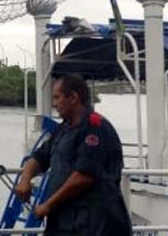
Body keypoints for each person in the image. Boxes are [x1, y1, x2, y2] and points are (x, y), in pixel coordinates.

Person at [14, 73, 131, 235]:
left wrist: (48, 205)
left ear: (73, 97)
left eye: (57, 98)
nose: (54, 104)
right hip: (65, 222)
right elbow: (40, 157)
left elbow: (83, 177)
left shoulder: (95, 127)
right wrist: (25, 179)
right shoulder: (64, 129)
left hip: (95, 224)